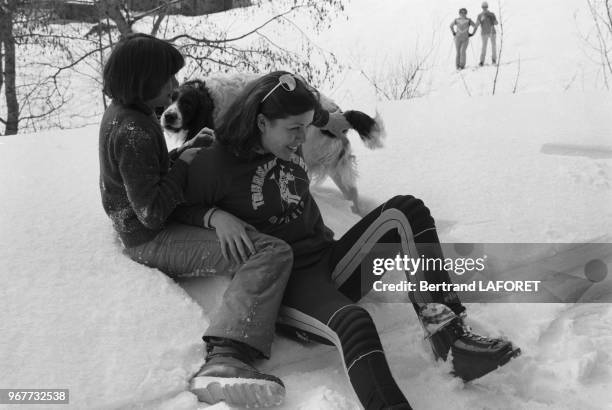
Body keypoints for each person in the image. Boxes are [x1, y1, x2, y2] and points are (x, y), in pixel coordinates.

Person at [176, 71, 521, 409]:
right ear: (262, 123)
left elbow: (312, 122)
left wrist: (337, 121)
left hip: (329, 260)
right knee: (355, 323)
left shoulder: (285, 143)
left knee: (406, 211)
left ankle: (450, 339)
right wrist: (213, 217)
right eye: (294, 129)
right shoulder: (214, 162)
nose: (301, 138)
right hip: (287, 285)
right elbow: (173, 211)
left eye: (305, 127)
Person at [98, 34, 293, 408]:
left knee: (258, 241)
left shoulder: (133, 114)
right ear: (142, 80)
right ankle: (226, 359)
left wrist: (184, 150)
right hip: (148, 237)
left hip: (148, 222)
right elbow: (151, 212)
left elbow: (145, 177)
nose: (174, 87)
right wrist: (184, 164)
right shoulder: (133, 130)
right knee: (267, 252)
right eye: (168, 79)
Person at [475, 1, 499, 66]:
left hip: (492, 32)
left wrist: (492, 18)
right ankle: (481, 61)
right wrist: (480, 20)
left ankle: (494, 60)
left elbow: (496, 23)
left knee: (493, 46)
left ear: (487, 7)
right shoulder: (479, 15)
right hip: (484, 33)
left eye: (486, 7)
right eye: (483, 7)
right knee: (483, 47)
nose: (484, 8)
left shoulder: (491, 14)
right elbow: (476, 25)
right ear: (481, 7)